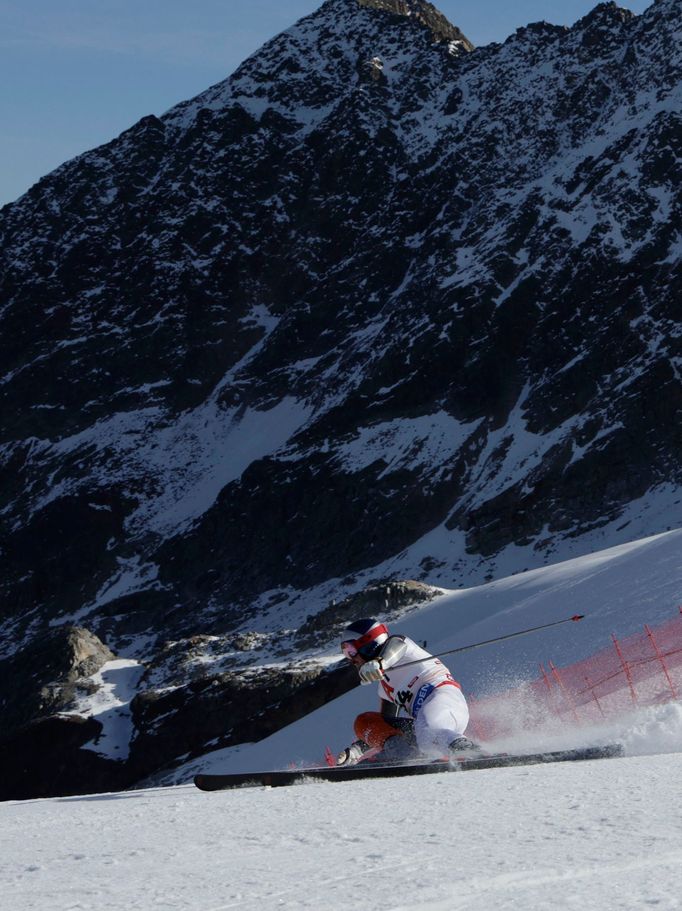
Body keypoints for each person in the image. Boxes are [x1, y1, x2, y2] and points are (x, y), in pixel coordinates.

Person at [336, 617, 481, 765]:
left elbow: (395, 645)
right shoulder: (385, 688)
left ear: (370, 643)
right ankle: (402, 755)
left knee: (428, 733)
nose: (351, 659)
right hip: (424, 723)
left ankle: (467, 750)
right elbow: (387, 725)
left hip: (444, 699)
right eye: (347, 653)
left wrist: (380, 662)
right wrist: (358, 748)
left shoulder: (401, 647)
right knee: (364, 721)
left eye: (351, 651)